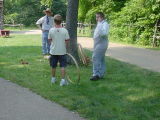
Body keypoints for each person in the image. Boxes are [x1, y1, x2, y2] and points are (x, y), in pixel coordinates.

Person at [48, 14, 70, 86]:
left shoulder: (51, 30)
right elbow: (67, 41)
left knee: (53, 66)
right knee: (63, 66)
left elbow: (49, 40)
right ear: (61, 21)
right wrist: (65, 48)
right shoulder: (65, 30)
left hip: (53, 51)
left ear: (54, 21)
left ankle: (53, 79)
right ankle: (63, 81)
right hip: (62, 51)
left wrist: (54, 45)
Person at [90, 12, 109, 81]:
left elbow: (104, 33)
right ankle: (100, 74)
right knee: (101, 59)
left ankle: (96, 74)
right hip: (98, 43)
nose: (96, 19)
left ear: (102, 17)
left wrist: (99, 30)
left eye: (98, 17)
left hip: (102, 43)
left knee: (95, 57)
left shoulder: (105, 24)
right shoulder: (99, 23)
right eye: (96, 17)